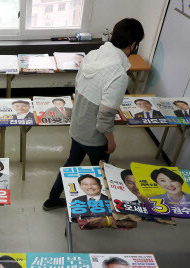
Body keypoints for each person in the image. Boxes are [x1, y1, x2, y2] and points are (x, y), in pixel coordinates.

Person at [43, 18, 144, 210]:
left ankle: (52, 199)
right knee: (101, 173)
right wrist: (111, 141)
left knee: (71, 162)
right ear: (133, 45)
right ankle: (101, 210)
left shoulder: (92, 55)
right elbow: (104, 118)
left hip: (78, 126)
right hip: (95, 136)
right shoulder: (118, 75)